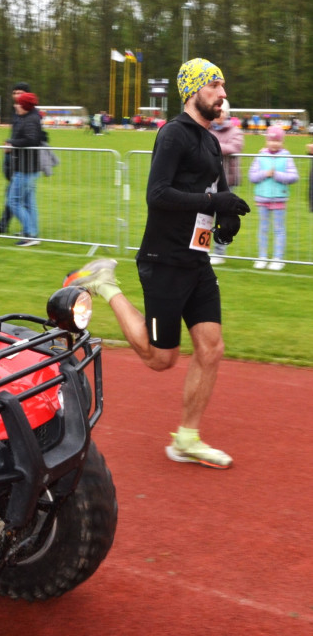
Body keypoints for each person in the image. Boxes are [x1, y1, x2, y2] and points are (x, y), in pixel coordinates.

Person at [63, 58, 250, 469]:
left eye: (223, 86)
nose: (223, 94)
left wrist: (226, 216)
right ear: (194, 90)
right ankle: (104, 283)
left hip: (196, 260)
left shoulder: (211, 141)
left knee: (211, 348)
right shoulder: (173, 135)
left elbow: (214, 191)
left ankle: (186, 438)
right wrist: (213, 201)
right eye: (216, 85)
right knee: (161, 358)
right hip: (163, 259)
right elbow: (158, 194)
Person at [0, 82, 34, 235]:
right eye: (15, 92)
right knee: (18, 196)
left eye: (20, 92)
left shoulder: (28, 113)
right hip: (13, 158)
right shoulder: (16, 111)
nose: (17, 95)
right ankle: (23, 229)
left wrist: (12, 143)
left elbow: (31, 138)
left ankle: (24, 230)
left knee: (14, 196)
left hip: (23, 161)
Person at [248, 126, 299, 270]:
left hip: (279, 198)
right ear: (267, 140)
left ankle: (278, 258)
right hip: (262, 198)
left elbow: (294, 176)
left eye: (277, 141)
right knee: (263, 228)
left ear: (282, 142)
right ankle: (262, 257)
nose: (274, 144)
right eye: (271, 140)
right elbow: (252, 176)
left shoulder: (286, 156)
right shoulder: (260, 155)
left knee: (278, 229)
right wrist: (265, 173)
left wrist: (276, 175)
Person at [209, 99, 244, 264]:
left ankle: (219, 250)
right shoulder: (206, 128)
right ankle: (201, 246)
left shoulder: (234, 131)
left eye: (222, 112)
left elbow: (235, 148)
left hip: (226, 180)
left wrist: (212, 146)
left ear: (226, 113)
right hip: (208, 179)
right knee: (205, 214)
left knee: (223, 216)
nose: (219, 115)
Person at [7, 90, 43, 247]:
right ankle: (32, 232)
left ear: (25, 106)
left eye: (19, 103)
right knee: (29, 202)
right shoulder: (29, 117)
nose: (16, 106)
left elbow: (32, 140)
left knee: (13, 201)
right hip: (28, 167)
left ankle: (30, 234)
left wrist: (12, 144)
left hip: (26, 168)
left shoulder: (30, 119)